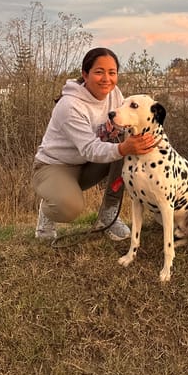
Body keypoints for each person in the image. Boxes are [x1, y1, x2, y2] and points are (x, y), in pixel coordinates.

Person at [32, 47, 156, 241]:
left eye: (112, 73)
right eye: (99, 72)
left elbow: (125, 125)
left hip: (88, 165)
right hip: (54, 166)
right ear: (85, 74)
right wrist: (124, 147)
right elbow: (90, 148)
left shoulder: (114, 94)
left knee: (125, 148)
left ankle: (109, 214)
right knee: (69, 208)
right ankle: (48, 210)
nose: (106, 79)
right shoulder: (70, 106)